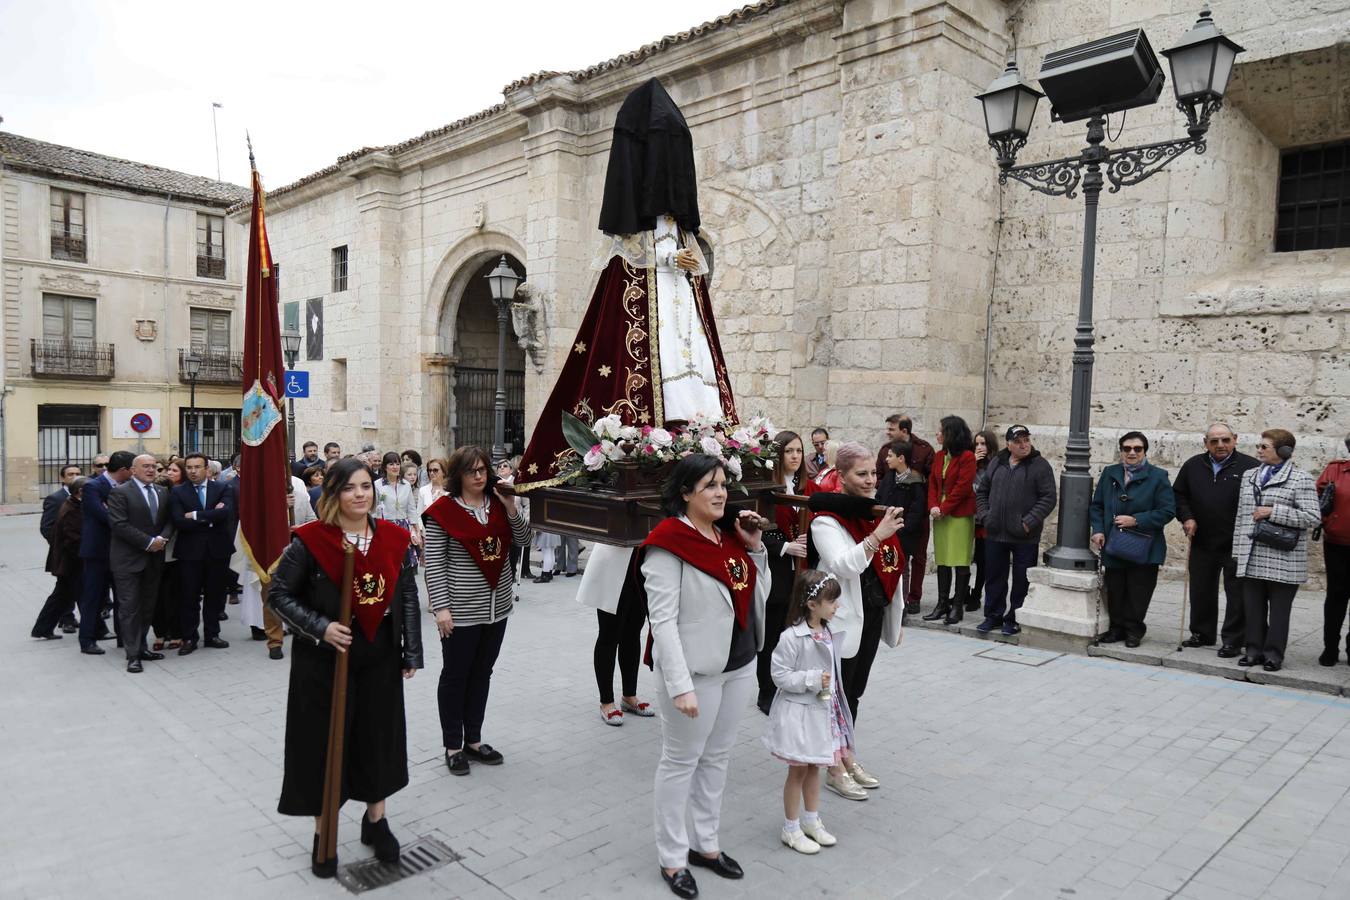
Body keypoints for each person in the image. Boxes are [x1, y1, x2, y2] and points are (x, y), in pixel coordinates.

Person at [513, 78, 738, 493]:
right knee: (658, 352)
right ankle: (657, 434)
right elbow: (631, 255)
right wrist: (671, 259)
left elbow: (697, 263)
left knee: (691, 358)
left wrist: (691, 263)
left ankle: (698, 429)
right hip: (655, 299)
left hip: (681, 300)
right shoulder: (632, 231)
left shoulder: (682, 226)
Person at [270, 457, 421, 877]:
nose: (361, 494)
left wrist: (412, 652)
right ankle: (325, 828)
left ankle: (376, 820)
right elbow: (279, 595)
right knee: (323, 743)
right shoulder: (310, 541)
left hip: (379, 656)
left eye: (366, 487)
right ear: (333, 494)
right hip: (324, 661)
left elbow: (406, 595)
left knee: (378, 738)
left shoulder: (393, 538)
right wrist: (321, 628)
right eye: (351, 487)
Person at [640, 454, 769, 899]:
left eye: (722, 485)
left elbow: (756, 595)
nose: (720, 493)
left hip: (739, 663)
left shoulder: (726, 536)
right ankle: (673, 856)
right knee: (680, 763)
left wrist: (754, 548)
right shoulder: (667, 543)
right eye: (710, 486)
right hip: (696, 672)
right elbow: (663, 622)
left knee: (717, 758)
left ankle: (706, 845)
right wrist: (679, 686)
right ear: (685, 493)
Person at [422, 446, 530, 777]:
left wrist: (511, 506)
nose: (480, 476)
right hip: (460, 610)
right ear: (458, 475)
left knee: (482, 673)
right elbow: (435, 563)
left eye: (483, 470)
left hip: (497, 609)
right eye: (472, 471)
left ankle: (474, 739)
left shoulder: (498, 503)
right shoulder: (443, 511)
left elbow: (523, 539)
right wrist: (440, 607)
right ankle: (453, 744)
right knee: (456, 676)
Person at [809, 441, 904, 800]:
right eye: (861, 474)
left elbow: (892, 567)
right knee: (833, 696)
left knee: (855, 693)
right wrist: (878, 535)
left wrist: (897, 619)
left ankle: (847, 755)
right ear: (842, 476)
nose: (869, 481)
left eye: (873, 473)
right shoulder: (826, 521)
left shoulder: (872, 512)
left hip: (872, 615)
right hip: (842, 620)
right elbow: (845, 564)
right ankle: (832, 767)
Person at [763, 570, 852, 855]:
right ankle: (790, 828)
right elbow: (779, 676)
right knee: (798, 770)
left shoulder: (827, 631)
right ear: (812, 604)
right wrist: (812, 680)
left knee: (815, 766)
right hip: (799, 715)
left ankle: (811, 820)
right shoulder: (792, 637)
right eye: (831, 600)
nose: (837, 605)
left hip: (822, 712)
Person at [1232, 429, 1321, 672]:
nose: (1258, 450)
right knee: (1253, 608)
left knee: (1279, 611)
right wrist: (1238, 552)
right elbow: (1241, 516)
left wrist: (1274, 511)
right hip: (1252, 553)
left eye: (1264, 446)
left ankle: (1273, 654)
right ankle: (1253, 651)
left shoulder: (1300, 478)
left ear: (1283, 451)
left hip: (1283, 557)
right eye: (1258, 446)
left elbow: (1312, 517)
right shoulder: (1250, 476)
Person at [1172, 423, 1260, 655]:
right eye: (1214, 441)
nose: (1220, 445)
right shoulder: (1193, 465)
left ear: (1235, 439)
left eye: (1225, 440)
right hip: (1201, 539)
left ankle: (1233, 640)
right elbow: (1179, 495)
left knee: (1237, 594)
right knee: (1201, 589)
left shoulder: (1251, 467)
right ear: (1205, 443)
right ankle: (1202, 633)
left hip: (1236, 541)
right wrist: (1187, 517)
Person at [1090, 432, 1176, 648]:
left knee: (1139, 591)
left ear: (1144, 451)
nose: (1132, 452)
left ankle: (1134, 630)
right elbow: (1097, 505)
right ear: (1121, 451)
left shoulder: (1158, 476)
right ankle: (1116, 629)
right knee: (1116, 589)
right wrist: (1098, 530)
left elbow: (1167, 511)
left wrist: (1136, 520)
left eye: (1137, 449)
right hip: (1114, 543)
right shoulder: (1110, 473)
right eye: (1127, 448)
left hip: (1145, 545)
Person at [974, 425, 1057, 636]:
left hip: (1024, 536)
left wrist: (1028, 522)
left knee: (1022, 579)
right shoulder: (997, 462)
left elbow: (1048, 498)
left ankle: (1015, 618)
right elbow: (982, 492)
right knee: (994, 577)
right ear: (1009, 444)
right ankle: (993, 616)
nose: (1024, 445)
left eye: (1026, 440)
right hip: (995, 532)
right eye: (1018, 441)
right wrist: (986, 516)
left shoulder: (1040, 465)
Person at [756, 430, 808, 714]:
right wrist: (786, 547)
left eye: (799, 451)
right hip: (775, 569)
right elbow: (759, 529)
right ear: (778, 455)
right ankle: (766, 691)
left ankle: (787, 685)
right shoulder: (768, 488)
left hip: (799, 572)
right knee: (772, 635)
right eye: (789, 451)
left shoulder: (803, 488)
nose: (795, 456)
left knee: (792, 632)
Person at [108, 454, 175, 673]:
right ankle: (133, 655)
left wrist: (161, 540)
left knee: (147, 607)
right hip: (128, 561)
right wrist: (148, 542)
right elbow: (119, 524)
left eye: (153, 467)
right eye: (145, 466)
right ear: (133, 470)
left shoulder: (162, 492)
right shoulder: (120, 492)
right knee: (129, 608)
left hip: (154, 560)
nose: (150, 470)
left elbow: (168, 521)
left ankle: (143, 647)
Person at [171, 452, 235, 655]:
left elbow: (224, 514)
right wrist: (210, 516)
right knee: (189, 596)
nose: (192, 471)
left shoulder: (223, 487)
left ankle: (212, 634)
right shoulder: (178, 492)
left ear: (206, 469)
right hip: (190, 552)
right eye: (189, 467)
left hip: (218, 550)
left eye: (197, 467)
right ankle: (189, 637)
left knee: (215, 596)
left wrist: (196, 515)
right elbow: (179, 521)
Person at [78, 450, 134, 654]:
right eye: (133, 469)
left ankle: (124, 638)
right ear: (123, 470)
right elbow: (106, 517)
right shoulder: (92, 487)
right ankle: (87, 640)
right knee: (93, 596)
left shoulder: (128, 486)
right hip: (97, 552)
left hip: (120, 552)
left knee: (123, 597)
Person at [925, 416, 977, 625]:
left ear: (951, 434)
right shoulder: (939, 456)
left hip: (959, 514)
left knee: (960, 559)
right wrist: (933, 507)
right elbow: (933, 485)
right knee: (943, 559)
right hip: (940, 513)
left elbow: (963, 488)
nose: (937, 434)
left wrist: (944, 509)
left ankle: (957, 607)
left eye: (941, 431)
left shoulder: (967, 457)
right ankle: (942, 603)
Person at [32, 476, 87, 640]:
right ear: (81, 492)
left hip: (69, 563)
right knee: (84, 597)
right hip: (71, 563)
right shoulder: (72, 509)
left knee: (61, 596)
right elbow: (73, 540)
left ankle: (42, 628)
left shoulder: (74, 505)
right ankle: (97, 629)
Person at [877, 440, 927, 614]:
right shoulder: (888, 478)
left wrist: (902, 528)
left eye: (890, 456)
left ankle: (901, 607)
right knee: (886, 567)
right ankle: (886, 603)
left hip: (904, 534)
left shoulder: (916, 481)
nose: (887, 459)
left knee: (902, 569)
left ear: (901, 458)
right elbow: (879, 500)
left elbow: (917, 509)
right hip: (885, 531)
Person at [1317, 434, 1350, 666]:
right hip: (1337, 544)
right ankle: (1330, 647)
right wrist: (1327, 521)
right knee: (1336, 596)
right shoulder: (1335, 470)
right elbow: (1317, 499)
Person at [151, 460, 186, 651]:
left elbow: (176, 523)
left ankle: (176, 633)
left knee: (173, 597)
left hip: (173, 556)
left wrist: (162, 538)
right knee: (155, 599)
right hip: (152, 557)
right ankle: (159, 633)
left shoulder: (175, 502)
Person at [970, 429, 1000, 614]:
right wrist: (972, 462)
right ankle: (962, 592)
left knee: (982, 559)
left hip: (984, 518)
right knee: (964, 559)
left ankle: (976, 593)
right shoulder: (970, 462)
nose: (980, 447)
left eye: (983, 443)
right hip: (968, 516)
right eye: (977, 444)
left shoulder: (996, 464)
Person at [375, 452, 421, 567]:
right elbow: (374, 508)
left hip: (403, 526)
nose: (395, 467)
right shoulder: (377, 484)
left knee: (404, 561)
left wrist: (415, 527)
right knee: (388, 561)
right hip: (386, 525)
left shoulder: (405, 484)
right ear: (385, 467)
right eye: (391, 464)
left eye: (397, 464)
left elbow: (411, 507)